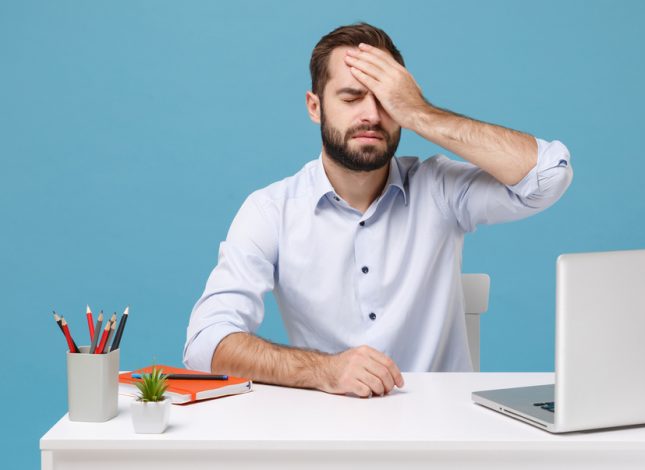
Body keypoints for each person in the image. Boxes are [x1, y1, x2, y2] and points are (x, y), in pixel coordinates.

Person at [184, 22, 573, 398]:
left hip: (447, 435)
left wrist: (420, 112)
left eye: (387, 102)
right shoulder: (271, 211)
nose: (371, 115)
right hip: (329, 432)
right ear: (314, 107)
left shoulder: (438, 187)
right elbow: (205, 343)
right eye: (352, 98)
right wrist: (325, 370)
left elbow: (549, 175)